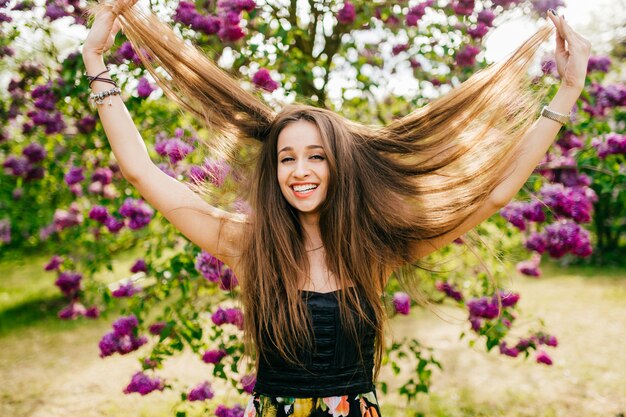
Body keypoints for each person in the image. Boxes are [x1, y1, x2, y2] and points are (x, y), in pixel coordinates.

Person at [82, 1, 590, 416]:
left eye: (316, 156)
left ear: (338, 166)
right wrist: (95, 59)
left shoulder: (375, 250)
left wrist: (566, 91)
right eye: (287, 158)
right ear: (274, 172)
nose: (300, 170)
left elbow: (496, 192)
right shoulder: (246, 244)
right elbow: (141, 172)